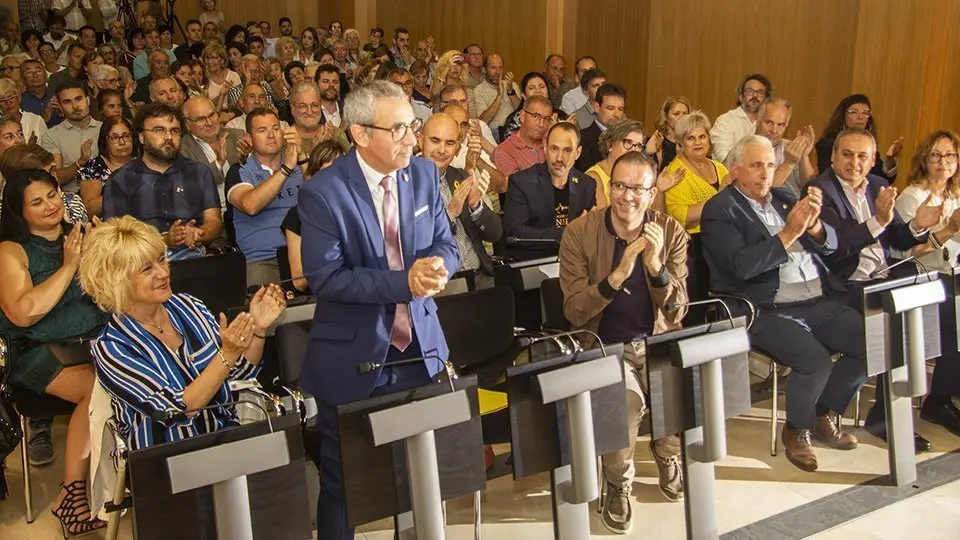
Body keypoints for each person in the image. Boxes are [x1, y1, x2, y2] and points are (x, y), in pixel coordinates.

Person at [296, 80, 457, 539]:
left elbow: (445, 243)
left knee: (422, 476)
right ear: (361, 134)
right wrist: (403, 282)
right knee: (344, 482)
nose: (412, 138)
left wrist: (439, 267)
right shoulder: (324, 193)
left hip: (421, 351)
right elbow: (326, 278)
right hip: (354, 357)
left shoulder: (425, 175)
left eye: (413, 126)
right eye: (400, 129)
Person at [701, 135, 867, 472]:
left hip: (815, 299)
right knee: (815, 362)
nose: (766, 173)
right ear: (735, 170)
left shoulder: (785, 198)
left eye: (771, 165)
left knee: (874, 340)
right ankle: (797, 430)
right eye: (756, 165)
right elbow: (740, 267)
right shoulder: (720, 210)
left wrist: (816, 225)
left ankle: (823, 412)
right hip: (764, 307)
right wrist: (789, 233)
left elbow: (831, 247)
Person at [80, 216, 288, 451]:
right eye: (147, 269)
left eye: (161, 260)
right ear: (117, 282)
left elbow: (239, 372)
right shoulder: (113, 347)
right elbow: (178, 410)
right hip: (168, 459)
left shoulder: (189, 307)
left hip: (225, 439)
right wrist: (227, 353)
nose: (162, 273)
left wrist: (259, 328)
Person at [559, 151, 687, 532]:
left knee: (684, 384)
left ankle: (667, 453)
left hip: (658, 340)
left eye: (636, 188)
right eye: (619, 186)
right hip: (603, 345)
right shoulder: (580, 233)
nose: (626, 196)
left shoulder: (671, 232)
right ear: (607, 187)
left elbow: (678, 310)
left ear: (652, 193)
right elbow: (574, 312)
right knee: (626, 401)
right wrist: (617, 276)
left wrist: (656, 268)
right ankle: (618, 482)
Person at [808, 128, 948, 452]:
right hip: (840, 285)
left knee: (923, 313)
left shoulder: (878, 186)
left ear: (873, 160)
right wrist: (877, 222)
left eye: (862, 156)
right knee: (888, 332)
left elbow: (897, 237)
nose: (854, 163)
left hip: (882, 279)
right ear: (833, 156)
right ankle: (838, 412)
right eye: (846, 154)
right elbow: (835, 246)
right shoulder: (819, 189)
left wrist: (917, 225)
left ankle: (894, 412)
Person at [0, 168, 105, 536]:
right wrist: (70, 265)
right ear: (19, 211)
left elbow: (107, 295)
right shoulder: (11, 251)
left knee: (135, 375)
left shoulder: (80, 235)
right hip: (35, 350)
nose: (50, 205)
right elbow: (23, 312)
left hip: (90, 341)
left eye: (53, 194)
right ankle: (70, 496)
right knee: (96, 391)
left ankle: (123, 480)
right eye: (37, 201)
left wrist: (102, 254)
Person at [894, 130, 960, 438]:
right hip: (920, 276)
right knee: (955, 317)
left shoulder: (956, 194)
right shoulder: (912, 196)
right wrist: (948, 228)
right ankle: (938, 400)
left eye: (949, 155)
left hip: (953, 273)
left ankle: (950, 387)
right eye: (935, 155)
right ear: (924, 159)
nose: (942, 162)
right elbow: (907, 253)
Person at [103, 103, 222, 260]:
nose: (168, 137)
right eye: (159, 130)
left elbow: (214, 221)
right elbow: (115, 239)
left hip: (192, 256)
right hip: (141, 261)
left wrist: (198, 234)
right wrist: (164, 241)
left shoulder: (199, 172)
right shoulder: (120, 180)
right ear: (140, 137)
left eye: (174, 131)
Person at [419, 113, 502, 289]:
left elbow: (495, 234)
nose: (442, 150)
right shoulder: (404, 183)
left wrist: (475, 206)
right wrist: (451, 213)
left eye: (449, 143)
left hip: (480, 276)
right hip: (441, 285)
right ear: (420, 141)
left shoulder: (460, 176)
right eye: (435, 140)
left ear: (457, 149)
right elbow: (414, 241)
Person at [228, 108, 305, 286]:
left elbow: (322, 197)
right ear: (249, 138)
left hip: (304, 255)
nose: (271, 135)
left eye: (276, 129)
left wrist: (302, 156)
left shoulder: (298, 165)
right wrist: (286, 169)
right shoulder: (239, 171)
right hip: (263, 260)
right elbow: (250, 205)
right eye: (262, 130)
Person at [503, 122, 596, 260]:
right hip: (534, 262)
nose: (559, 158)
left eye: (567, 151)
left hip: (575, 262)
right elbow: (515, 233)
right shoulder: (521, 182)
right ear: (545, 149)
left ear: (578, 153)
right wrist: (566, 233)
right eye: (554, 149)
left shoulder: (587, 184)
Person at [281, 140, 346, 292]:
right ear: (311, 177)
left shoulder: (363, 209)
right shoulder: (298, 215)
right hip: (321, 296)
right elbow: (299, 281)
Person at [663, 110, 729, 234]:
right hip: (694, 242)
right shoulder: (675, 172)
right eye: (690, 138)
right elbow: (681, 218)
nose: (697, 142)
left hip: (724, 233)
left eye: (702, 137)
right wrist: (720, 196)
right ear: (680, 143)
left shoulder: (720, 168)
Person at [815, 94, 902, 181]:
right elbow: (827, 177)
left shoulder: (868, 145)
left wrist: (889, 159)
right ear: (842, 115)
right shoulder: (826, 144)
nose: (860, 117)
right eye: (853, 112)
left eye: (865, 113)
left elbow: (881, 182)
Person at [180, 96, 246, 204]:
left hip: (245, 202)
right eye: (201, 119)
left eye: (212, 115)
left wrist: (246, 158)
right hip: (211, 210)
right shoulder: (183, 150)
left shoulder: (236, 135)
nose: (209, 123)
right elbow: (195, 185)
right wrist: (219, 162)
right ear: (188, 125)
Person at [0, 142, 88, 224]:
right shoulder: (5, 216)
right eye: (47, 174)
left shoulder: (72, 202)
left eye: (54, 169)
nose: (54, 177)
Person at [39, 80, 102, 192]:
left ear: (87, 100)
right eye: (67, 102)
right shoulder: (51, 136)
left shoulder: (105, 129)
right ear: (60, 107)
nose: (75, 106)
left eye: (79, 99)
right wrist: (80, 162)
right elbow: (55, 178)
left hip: (109, 192)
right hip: (74, 198)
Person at [755, 98, 816, 197]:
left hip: (795, 205)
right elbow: (763, 192)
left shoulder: (791, 147)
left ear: (787, 125)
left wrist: (804, 157)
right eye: (769, 122)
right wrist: (789, 163)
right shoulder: (746, 149)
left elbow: (809, 187)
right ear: (758, 120)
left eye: (780, 125)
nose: (774, 130)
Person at [77, 115, 135, 216]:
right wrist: (119, 190)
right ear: (106, 141)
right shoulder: (94, 167)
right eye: (115, 138)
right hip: (109, 226)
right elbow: (89, 210)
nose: (122, 142)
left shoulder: (143, 162)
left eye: (126, 136)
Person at [709, 73, 772, 163]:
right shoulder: (725, 121)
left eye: (759, 92)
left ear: (766, 99)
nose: (754, 96)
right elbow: (725, 162)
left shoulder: (770, 123)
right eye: (750, 91)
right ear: (740, 96)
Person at [588, 118, 645, 207]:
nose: (634, 150)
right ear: (610, 144)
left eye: (638, 145)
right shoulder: (593, 178)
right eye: (628, 142)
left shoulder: (639, 176)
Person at [492, 95, 552, 177]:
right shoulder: (504, 151)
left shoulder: (552, 144)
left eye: (546, 119)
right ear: (522, 116)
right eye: (535, 116)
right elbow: (518, 187)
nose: (541, 124)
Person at [574, 82, 626, 173]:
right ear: (597, 107)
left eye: (620, 109)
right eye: (610, 108)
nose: (617, 114)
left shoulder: (626, 138)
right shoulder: (582, 138)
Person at [290, 81, 349, 155]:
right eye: (303, 106)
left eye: (314, 105)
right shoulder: (285, 140)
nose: (309, 112)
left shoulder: (335, 134)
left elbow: (352, 164)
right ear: (292, 109)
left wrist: (332, 145)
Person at [471, 53, 519, 139]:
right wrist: (499, 95)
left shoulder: (512, 85)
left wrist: (511, 92)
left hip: (515, 130)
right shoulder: (478, 91)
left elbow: (521, 111)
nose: (497, 72)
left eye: (500, 68)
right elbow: (483, 121)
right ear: (484, 69)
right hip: (494, 133)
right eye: (493, 68)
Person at [645, 96, 691, 170]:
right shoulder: (656, 141)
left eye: (685, 114)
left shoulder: (691, 142)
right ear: (665, 116)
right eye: (676, 114)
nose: (682, 118)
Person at [0, 76, 46, 142]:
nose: (8, 103)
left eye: (11, 98)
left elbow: (45, 149)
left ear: (18, 98)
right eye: (2, 100)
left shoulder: (36, 120)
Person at [20, 58, 60, 126]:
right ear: (22, 78)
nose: (35, 75)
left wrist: (64, 114)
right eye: (29, 72)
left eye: (39, 71)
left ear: (45, 75)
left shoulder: (58, 96)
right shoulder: (19, 101)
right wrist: (45, 117)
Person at [201, 42, 240, 107]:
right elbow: (205, 106)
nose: (210, 61)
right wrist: (222, 94)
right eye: (207, 58)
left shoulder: (233, 76)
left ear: (222, 60)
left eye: (214, 58)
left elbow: (239, 102)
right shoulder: (203, 78)